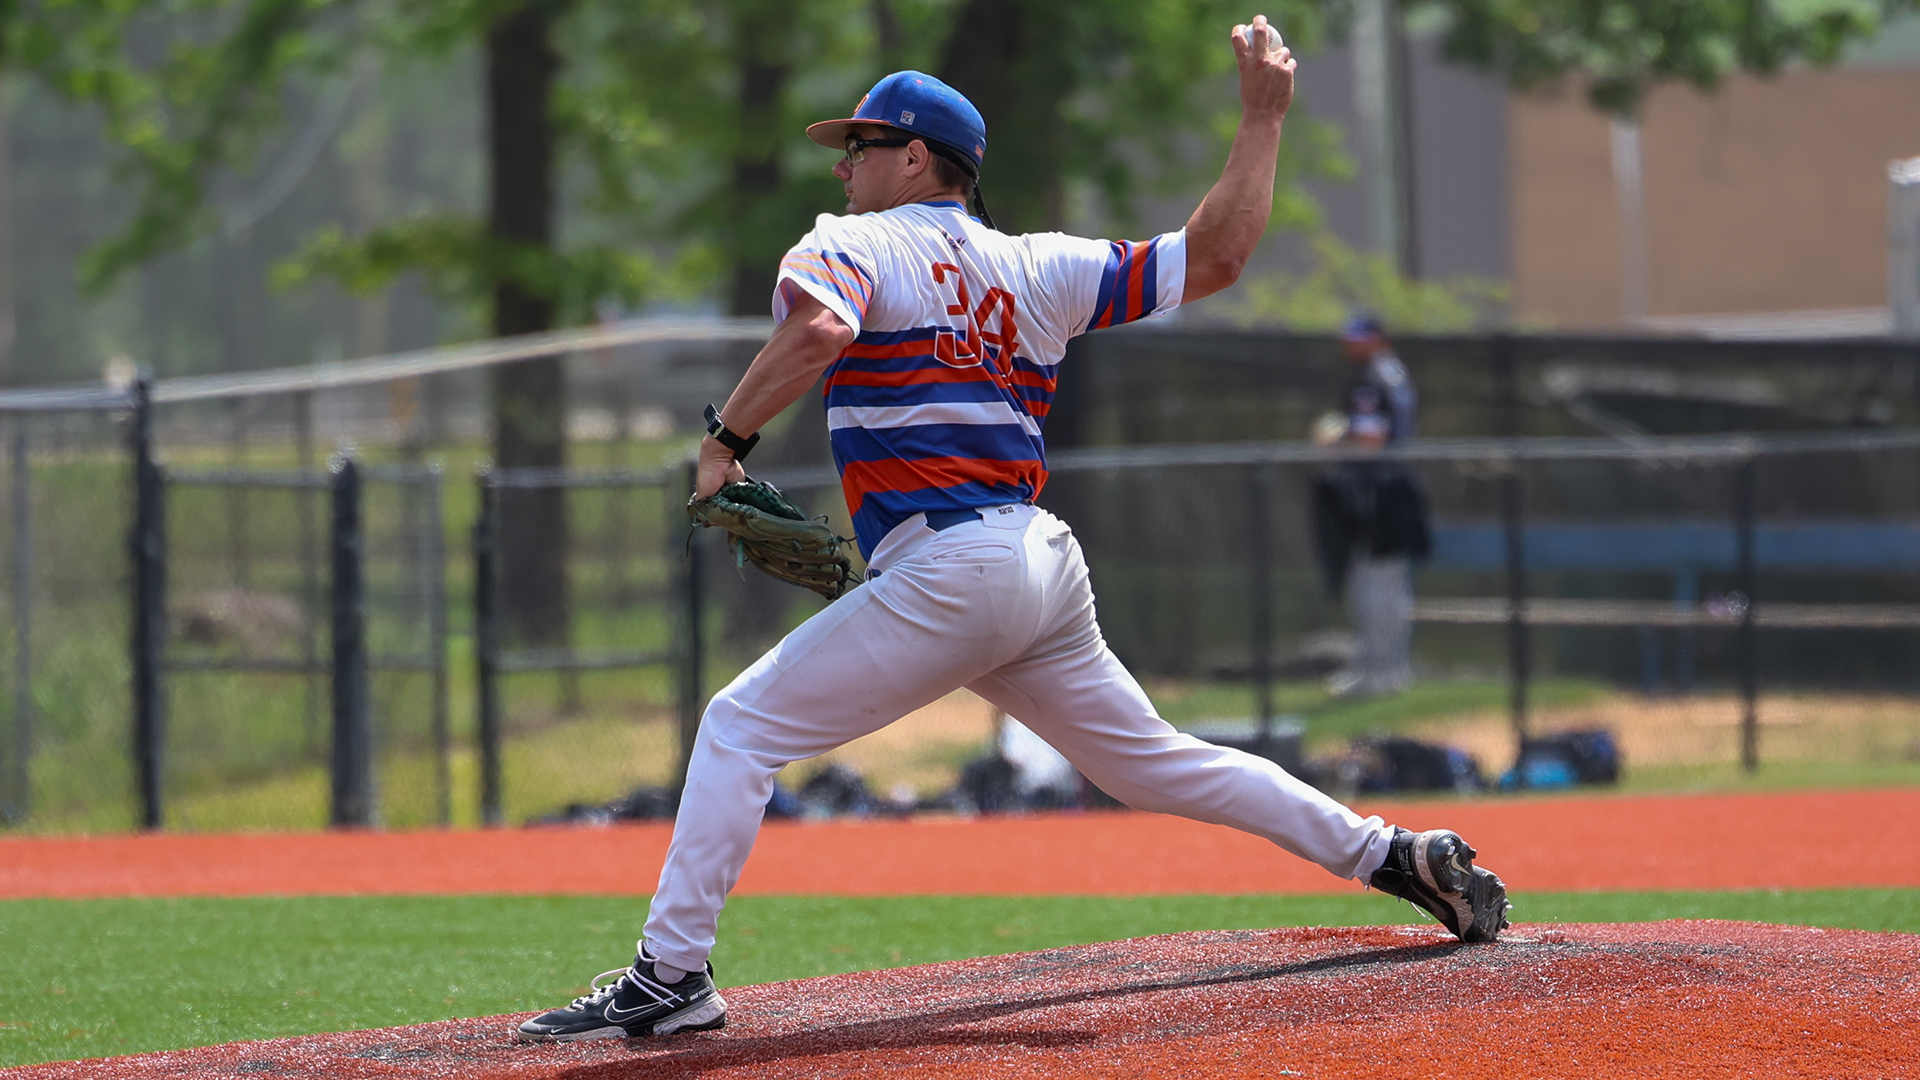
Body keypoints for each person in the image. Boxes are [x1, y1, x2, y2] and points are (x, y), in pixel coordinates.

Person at [515, 18, 1507, 1044]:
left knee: (738, 724)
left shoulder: (852, 240)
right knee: (1152, 762)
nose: (845, 163)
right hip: (1035, 564)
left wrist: (724, 439)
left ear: (915, 157)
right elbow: (1217, 258)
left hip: (957, 567)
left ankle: (671, 975)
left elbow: (818, 330)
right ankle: (1391, 853)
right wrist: (1263, 118)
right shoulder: (1042, 265)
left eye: (862, 144)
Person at [1312, 311, 1431, 697]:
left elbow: (1370, 439)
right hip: (1387, 487)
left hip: (1379, 491)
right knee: (1377, 582)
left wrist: (1335, 436)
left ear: (1379, 338)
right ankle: (1382, 667)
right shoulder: (1389, 373)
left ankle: (1383, 670)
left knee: (1378, 584)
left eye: (1359, 338)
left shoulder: (1374, 378)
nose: (1351, 345)